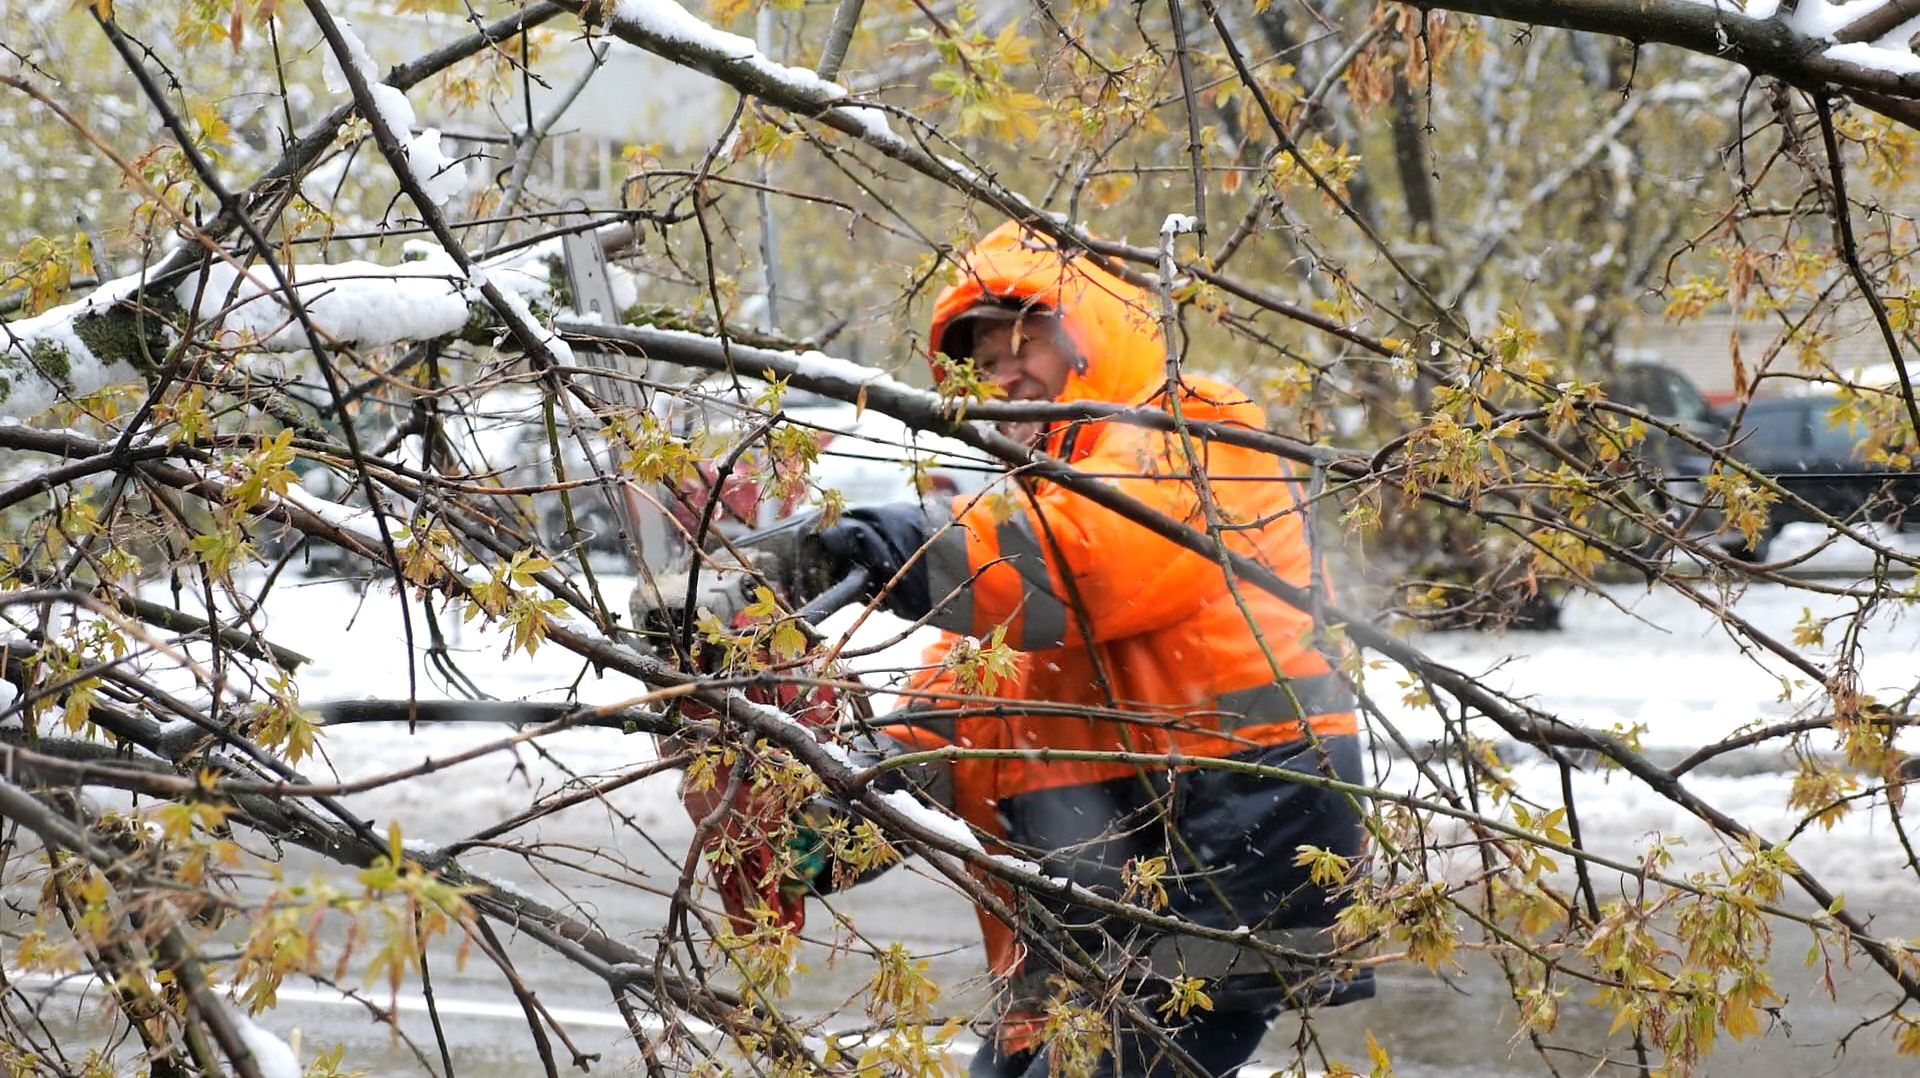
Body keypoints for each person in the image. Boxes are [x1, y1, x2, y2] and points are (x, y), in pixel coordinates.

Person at [732, 221, 1372, 1077]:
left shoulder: (1198, 428)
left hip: (1233, 843)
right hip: (1096, 903)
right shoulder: (1031, 517)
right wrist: (807, 814)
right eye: (981, 364)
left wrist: (875, 546)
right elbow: (959, 717)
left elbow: (1088, 565)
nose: (1002, 378)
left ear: (1090, 335)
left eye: (1023, 342)